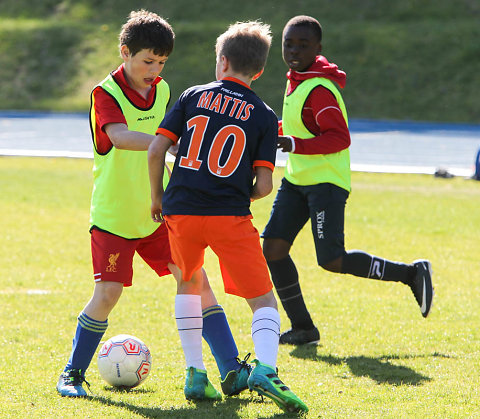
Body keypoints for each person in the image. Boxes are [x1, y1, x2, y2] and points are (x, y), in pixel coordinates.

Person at [56, 10, 250, 398]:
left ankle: (232, 368)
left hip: (158, 213)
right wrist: (165, 142)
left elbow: (173, 138)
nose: (154, 69)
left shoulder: (162, 90)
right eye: (148, 61)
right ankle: (72, 374)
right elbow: (122, 136)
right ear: (125, 52)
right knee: (108, 295)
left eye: (161, 62)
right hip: (115, 217)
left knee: (195, 279)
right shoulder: (104, 94)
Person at [148, 21, 308, 413]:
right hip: (229, 215)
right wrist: (243, 191)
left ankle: (195, 373)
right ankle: (265, 369)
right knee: (263, 300)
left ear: (222, 61)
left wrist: (158, 196)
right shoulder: (264, 115)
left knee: (188, 284)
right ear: (259, 70)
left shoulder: (192, 95)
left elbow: (156, 150)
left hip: (181, 209)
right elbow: (266, 185)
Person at [261, 15, 435, 346]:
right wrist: (275, 131)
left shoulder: (320, 89)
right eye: (289, 44)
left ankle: (412, 274)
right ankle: (304, 328)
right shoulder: (297, 79)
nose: (294, 50)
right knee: (273, 248)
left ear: (318, 48)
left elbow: (339, 138)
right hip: (297, 181)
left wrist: (293, 144)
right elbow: (301, 124)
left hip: (326, 184)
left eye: (303, 44)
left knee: (331, 260)